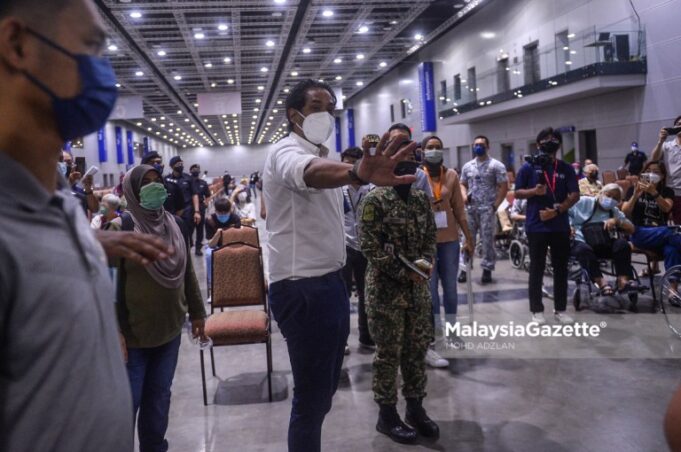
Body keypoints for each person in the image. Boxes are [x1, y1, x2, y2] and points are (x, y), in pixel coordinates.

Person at [0, 1, 171, 450]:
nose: (104, 72)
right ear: (17, 45)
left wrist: (88, 242)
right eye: (92, 45)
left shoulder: (55, 200)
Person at [263, 79, 418, 452]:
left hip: (330, 284)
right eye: (317, 106)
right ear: (294, 114)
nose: (325, 114)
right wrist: (356, 173)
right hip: (302, 288)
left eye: (330, 107)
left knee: (325, 390)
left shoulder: (325, 153)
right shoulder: (285, 151)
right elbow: (308, 173)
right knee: (311, 398)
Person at [114, 165, 206, 452]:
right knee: (128, 404)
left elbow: (187, 271)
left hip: (170, 331)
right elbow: (107, 287)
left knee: (158, 400)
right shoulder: (120, 228)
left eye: (157, 181)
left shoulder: (175, 225)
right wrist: (114, 331)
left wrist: (198, 312)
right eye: (146, 183)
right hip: (133, 338)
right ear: (132, 190)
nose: (154, 187)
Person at [359, 159, 439, 445]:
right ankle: (387, 414)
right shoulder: (375, 199)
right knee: (388, 352)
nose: (408, 169)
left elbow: (430, 236)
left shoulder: (419, 199)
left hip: (417, 289)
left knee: (416, 349)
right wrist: (402, 271)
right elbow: (368, 244)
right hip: (385, 290)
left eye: (412, 164)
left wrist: (425, 264)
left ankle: (416, 409)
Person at [514, 127, 580, 324]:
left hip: (559, 224)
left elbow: (575, 195)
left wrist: (557, 210)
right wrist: (534, 191)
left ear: (559, 145)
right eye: (545, 139)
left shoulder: (566, 168)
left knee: (561, 268)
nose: (549, 142)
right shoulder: (528, 167)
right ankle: (537, 310)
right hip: (536, 225)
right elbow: (517, 193)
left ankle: (560, 309)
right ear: (538, 144)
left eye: (553, 139)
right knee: (537, 267)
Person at [421, 135, 474, 340]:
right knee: (431, 291)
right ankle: (435, 332)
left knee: (450, 290)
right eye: (430, 147)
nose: (434, 150)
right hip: (426, 244)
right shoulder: (418, 176)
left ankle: (453, 332)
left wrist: (469, 238)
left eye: (438, 147)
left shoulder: (451, 175)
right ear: (423, 151)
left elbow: (460, 211)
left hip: (450, 241)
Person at [569, 184, 637, 308]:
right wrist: (568, 226)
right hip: (582, 241)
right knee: (583, 250)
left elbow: (631, 228)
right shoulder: (584, 202)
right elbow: (564, 213)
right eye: (608, 195)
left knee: (622, 244)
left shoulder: (614, 211)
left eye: (615, 198)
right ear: (600, 193)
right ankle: (601, 283)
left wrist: (617, 221)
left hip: (603, 243)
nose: (611, 199)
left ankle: (623, 281)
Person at [622, 161, 681, 305]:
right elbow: (624, 211)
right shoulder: (633, 189)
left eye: (656, 172)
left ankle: (673, 291)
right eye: (648, 170)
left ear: (662, 175)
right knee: (673, 233)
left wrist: (654, 192)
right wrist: (636, 195)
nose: (652, 174)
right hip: (640, 233)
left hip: (663, 236)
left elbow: (667, 208)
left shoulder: (667, 191)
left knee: (672, 249)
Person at [458, 135, 508, 284]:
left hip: (487, 208)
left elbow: (504, 187)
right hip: (471, 208)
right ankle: (464, 269)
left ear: (487, 147)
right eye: (476, 144)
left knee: (487, 241)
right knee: (467, 239)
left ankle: (487, 269)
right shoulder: (468, 166)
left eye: (481, 144)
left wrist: (495, 205)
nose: (478, 147)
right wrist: (463, 195)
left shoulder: (496, 165)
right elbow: (462, 183)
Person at [340, 146, 374, 350]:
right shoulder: (335, 189)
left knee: (366, 293)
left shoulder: (370, 189)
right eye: (346, 162)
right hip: (343, 246)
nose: (350, 167)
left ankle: (366, 336)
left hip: (365, 246)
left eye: (354, 162)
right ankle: (341, 340)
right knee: (342, 295)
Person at [165, 156, 201, 249]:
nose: (180, 165)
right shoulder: (166, 179)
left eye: (182, 164)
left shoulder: (188, 178)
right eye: (178, 164)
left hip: (187, 210)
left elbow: (194, 194)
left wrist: (197, 211)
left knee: (187, 232)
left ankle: (187, 248)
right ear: (172, 166)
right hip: (172, 211)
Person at [651, 116, 681, 224]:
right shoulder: (667, 145)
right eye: (678, 124)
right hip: (669, 191)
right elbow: (654, 159)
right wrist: (660, 141)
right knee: (664, 221)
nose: (680, 126)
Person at [141, 151, 184, 216]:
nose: (156, 165)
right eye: (152, 163)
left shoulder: (173, 187)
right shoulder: (135, 187)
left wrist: (171, 223)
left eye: (158, 162)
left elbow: (179, 209)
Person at [190, 163, 211, 256]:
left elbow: (208, 195)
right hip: (189, 208)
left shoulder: (203, 183)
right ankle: (188, 246)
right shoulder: (187, 181)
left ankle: (198, 248)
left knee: (200, 229)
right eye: (194, 169)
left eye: (197, 169)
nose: (196, 170)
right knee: (189, 228)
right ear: (190, 171)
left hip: (201, 208)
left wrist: (206, 204)